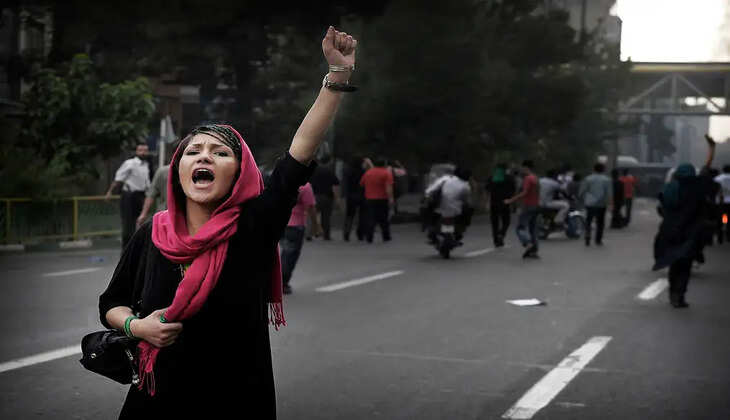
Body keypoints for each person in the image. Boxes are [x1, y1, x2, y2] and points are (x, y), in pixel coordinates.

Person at [98, 26, 357, 418]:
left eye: (220, 152)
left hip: (235, 398)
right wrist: (138, 327)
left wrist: (337, 75)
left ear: (239, 173)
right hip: (153, 399)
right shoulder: (153, 231)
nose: (204, 156)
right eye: (193, 152)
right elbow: (111, 304)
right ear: (177, 170)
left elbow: (298, 155)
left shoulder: (254, 226)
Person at [653, 136, 715, 308]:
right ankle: (678, 295)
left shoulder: (670, 188)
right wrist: (712, 149)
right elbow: (706, 169)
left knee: (674, 264)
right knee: (685, 265)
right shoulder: (697, 187)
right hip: (689, 233)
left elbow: (662, 208)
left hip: (670, 232)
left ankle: (673, 292)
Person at [106, 143, 151, 249]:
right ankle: (126, 249)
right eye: (140, 150)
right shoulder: (130, 163)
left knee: (141, 222)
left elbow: (147, 183)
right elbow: (119, 178)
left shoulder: (146, 165)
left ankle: (138, 248)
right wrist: (110, 192)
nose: (143, 153)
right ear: (136, 151)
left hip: (141, 195)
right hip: (129, 196)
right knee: (128, 224)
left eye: (145, 150)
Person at [280, 183, 318, 294]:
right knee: (290, 256)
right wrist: (316, 225)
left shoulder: (282, 180)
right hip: (295, 226)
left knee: (284, 254)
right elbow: (310, 207)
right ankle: (282, 283)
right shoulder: (305, 186)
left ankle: (277, 281)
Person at [425, 166, 472, 243]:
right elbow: (465, 201)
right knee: (468, 211)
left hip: (439, 207)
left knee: (430, 213)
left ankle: (432, 230)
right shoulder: (466, 186)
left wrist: (428, 197)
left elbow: (431, 190)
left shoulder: (445, 179)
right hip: (455, 211)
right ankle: (459, 230)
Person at [504, 160, 540, 259]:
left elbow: (524, 192)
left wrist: (511, 200)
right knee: (532, 229)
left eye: (522, 168)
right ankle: (534, 251)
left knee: (520, 228)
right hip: (536, 205)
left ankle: (528, 244)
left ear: (526, 167)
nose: (521, 170)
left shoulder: (528, 178)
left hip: (528, 206)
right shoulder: (536, 178)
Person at [360, 156, 394, 243]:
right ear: (384, 164)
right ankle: (386, 236)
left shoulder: (368, 173)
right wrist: (390, 198)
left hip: (370, 199)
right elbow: (388, 188)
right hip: (382, 199)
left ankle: (369, 237)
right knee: (384, 218)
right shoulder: (386, 173)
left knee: (370, 218)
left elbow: (362, 184)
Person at [580, 163, 612, 246]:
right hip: (601, 204)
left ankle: (587, 235)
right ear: (603, 170)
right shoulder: (606, 180)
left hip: (590, 203)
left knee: (588, 220)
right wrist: (610, 204)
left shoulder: (588, 179)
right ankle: (598, 239)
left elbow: (582, 191)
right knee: (600, 222)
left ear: (594, 169)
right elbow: (609, 193)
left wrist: (582, 200)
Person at [309, 155, 341, 240]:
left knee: (312, 216)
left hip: (314, 196)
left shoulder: (313, 170)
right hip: (327, 197)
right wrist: (337, 198)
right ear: (328, 162)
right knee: (326, 217)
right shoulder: (330, 171)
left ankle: (309, 234)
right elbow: (335, 185)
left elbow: (308, 183)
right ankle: (326, 235)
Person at [486, 163, 515, 247]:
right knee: (506, 221)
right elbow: (513, 190)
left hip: (493, 202)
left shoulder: (491, 177)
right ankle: (501, 234)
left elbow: (487, 190)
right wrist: (511, 201)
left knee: (494, 222)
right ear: (505, 169)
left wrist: (487, 202)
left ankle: (496, 240)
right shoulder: (509, 178)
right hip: (505, 202)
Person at [342, 156, 370, 241]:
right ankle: (360, 233)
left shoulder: (348, 171)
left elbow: (345, 184)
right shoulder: (363, 171)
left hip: (351, 196)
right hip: (362, 195)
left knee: (349, 215)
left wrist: (345, 195)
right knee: (363, 215)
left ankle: (347, 233)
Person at [714, 164, 730, 244]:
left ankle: (720, 237)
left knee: (719, 220)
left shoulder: (717, 178)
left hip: (720, 202)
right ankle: (728, 236)